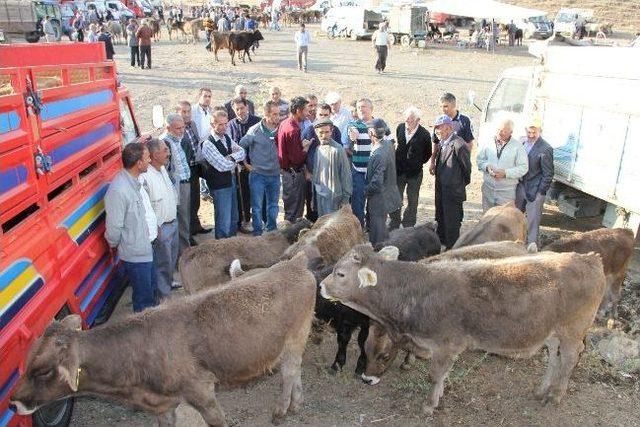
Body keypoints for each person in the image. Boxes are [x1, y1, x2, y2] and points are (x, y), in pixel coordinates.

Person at [104, 142, 157, 312]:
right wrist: (124, 245)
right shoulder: (119, 190)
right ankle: (145, 336)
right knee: (143, 302)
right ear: (139, 163)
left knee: (150, 294)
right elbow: (113, 229)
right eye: (147, 157)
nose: (150, 160)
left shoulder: (133, 181)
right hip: (136, 256)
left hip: (145, 250)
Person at [139, 139, 179, 299]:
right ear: (155, 155)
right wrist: (156, 228)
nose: (168, 153)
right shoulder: (145, 177)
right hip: (161, 229)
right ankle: (164, 299)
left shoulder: (161, 168)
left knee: (170, 260)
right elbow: (146, 208)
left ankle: (167, 286)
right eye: (164, 150)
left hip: (172, 223)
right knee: (162, 264)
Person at [201, 110, 246, 239]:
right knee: (223, 220)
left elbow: (242, 152)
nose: (224, 127)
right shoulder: (208, 143)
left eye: (226, 124)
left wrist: (230, 157)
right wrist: (235, 159)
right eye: (220, 124)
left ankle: (230, 245)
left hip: (230, 180)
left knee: (233, 217)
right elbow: (222, 166)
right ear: (212, 124)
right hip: (219, 186)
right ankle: (221, 247)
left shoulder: (226, 137)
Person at [239, 101, 281, 235]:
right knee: (256, 207)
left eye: (278, 114)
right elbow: (240, 146)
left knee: (273, 205)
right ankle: (257, 233)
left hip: (275, 174)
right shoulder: (254, 130)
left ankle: (272, 231)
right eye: (274, 114)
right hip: (258, 175)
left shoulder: (280, 130)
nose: (277, 117)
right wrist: (246, 164)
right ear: (266, 114)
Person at [389, 107, 432, 229]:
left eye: (411, 120)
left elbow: (427, 153)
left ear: (418, 120)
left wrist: (416, 163)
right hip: (399, 171)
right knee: (396, 197)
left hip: (415, 173)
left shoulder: (424, 134)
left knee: (413, 200)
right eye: (407, 119)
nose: (408, 122)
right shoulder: (400, 127)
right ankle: (394, 222)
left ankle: (408, 224)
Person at [433, 115, 471, 249]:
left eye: (439, 128)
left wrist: (456, 184)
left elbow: (467, 171)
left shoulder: (459, 145)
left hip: (453, 193)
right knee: (441, 220)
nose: (437, 131)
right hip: (442, 191)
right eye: (436, 128)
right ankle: (442, 245)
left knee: (452, 224)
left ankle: (452, 251)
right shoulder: (443, 143)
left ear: (449, 128)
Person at [476, 117, 529, 212]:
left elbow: (523, 167)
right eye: (498, 130)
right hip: (488, 190)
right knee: (488, 220)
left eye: (504, 131)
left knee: (503, 222)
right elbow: (479, 160)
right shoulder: (488, 142)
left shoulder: (517, 146)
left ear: (511, 132)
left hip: (506, 194)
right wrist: (487, 167)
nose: (500, 133)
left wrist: (506, 173)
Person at [175, 100, 210, 240]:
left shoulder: (192, 125)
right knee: (186, 204)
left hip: (195, 167)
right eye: (183, 112)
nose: (187, 114)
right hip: (184, 171)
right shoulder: (177, 129)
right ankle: (187, 236)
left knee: (196, 200)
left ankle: (196, 226)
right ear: (177, 113)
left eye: (188, 111)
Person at [516, 118, 554, 246]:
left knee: (532, 222)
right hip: (520, 187)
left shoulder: (546, 148)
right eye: (529, 132)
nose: (531, 135)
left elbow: (548, 174)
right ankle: (517, 243)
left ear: (540, 131)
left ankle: (531, 247)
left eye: (534, 132)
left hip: (535, 189)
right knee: (517, 217)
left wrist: (540, 192)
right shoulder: (521, 143)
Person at [365, 119, 402, 245]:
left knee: (377, 234)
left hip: (379, 199)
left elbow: (376, 182)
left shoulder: (378, 153)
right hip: (388, 194)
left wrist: (365, 191)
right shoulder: (388, 145)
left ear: (370, 133)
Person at [228, 97, 261, 233]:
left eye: (242, 108)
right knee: (243, 195)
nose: (240, 111)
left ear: (247, 107)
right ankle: (245, 221)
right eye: (237, 109)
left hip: (257, 164)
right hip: (241, 167)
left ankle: (260, 221)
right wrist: (244, 163)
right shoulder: (231, 125)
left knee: (259, 194)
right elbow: (233, 147)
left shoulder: (257, 122)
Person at [276, 96, 312, 222]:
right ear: (298, 111)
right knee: (294, 214)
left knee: (290, 210)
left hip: (287, 173)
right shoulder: (293, 129)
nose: (308, 113)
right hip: (294, 175)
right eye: (306, 110)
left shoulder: (284, 123)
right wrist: (306, 148)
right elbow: (297, 158)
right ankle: (289, 240)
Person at [160, 113, 191, 253]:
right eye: (178, 128)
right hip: (178, 187)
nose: (181, 131)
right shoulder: (165, 143)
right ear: (168, 127)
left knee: (185, 219)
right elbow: (164, 170)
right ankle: (184, 255)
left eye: (183, 127)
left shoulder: (177, 139)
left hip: (185, 184)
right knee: (182, 221)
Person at [345, 98, 378, 227]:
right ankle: (359, 228)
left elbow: (389, 143)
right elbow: (353, 135)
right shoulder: (354, 125)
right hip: (358, 170)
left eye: (364, 107)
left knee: (374, 202)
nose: (362, 109)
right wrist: (353, 133)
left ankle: (372, 227)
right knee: (357, 202)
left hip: (374, 171)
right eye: (359, 108)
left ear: (371, 109)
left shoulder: (380, 124)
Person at [311, 118, 352, 217]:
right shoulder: (318, 149)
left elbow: (346, 175)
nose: (324, 135)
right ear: (316, 132)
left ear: (331, 131)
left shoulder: (338, 150)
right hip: (320, 197)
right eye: (321, 132)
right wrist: (313, 197)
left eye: (327, 132)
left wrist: (345, 200)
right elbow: (316, 175)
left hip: (334, 199)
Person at [429, 92, 474, 174]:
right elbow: (435, 143)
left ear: (454, 105)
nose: (443, 109)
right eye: (441, 106)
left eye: (445, 106)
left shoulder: (464, 121)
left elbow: (469, 144)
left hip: (458, 165)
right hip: (442, 163)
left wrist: (465, 163)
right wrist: (432, 162)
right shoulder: (439, 121)